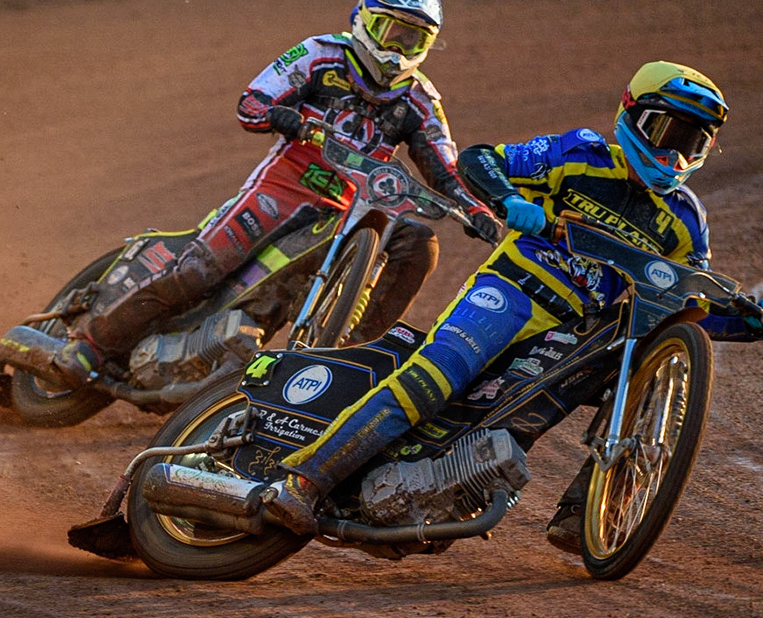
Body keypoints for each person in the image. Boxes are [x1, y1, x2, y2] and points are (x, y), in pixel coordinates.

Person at [262, 61, 756, 552]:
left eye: (691, 143)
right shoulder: (580, 154)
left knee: (644, 365)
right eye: (664, 131)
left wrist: (751, 320)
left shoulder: (687, 221)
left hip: (571, 331)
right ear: (631, 115)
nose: (672, 155)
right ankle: (303, 480)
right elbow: (480, 159)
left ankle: (589, 511)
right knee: (434, 379)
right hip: (511, 291)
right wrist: (506, 199)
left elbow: (689, 302)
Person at [52, 0, 493, 386]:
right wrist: (284, 117)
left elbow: (445, 166)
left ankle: (354, 362)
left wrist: (475, 209)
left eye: (413, 38)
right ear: (363, 19)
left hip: (351, 210)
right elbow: (251, 102)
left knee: (419, 243)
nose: (398, 47)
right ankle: (92, 344)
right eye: (390, 30)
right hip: (283, 187)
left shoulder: (419, 100)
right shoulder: (320, 55)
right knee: (199, 272)